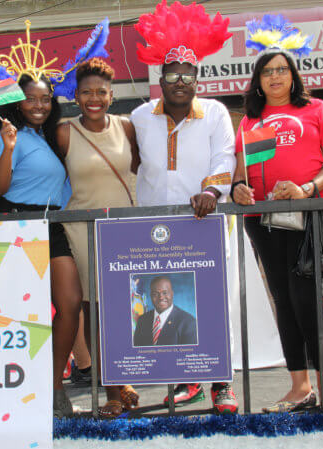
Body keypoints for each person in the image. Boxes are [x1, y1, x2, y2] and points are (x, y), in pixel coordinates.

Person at [232, 15, 323, 412]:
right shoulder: (250, 120)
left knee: (305, 298)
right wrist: (238, 189)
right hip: (263, 220)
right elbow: (241, 174)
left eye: (282, 70)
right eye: (267, 72)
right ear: (258, 81)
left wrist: (308, 188)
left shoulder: (314, 110)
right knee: (282, 297)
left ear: (293, 76)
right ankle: (298, 387)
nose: (275, 77)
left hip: (309, 213)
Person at [131, 0, 238, 414]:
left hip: (204, 224)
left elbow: (225, 158)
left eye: (187, 75)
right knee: (170, 308)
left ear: (197, 77)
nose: (180, 80)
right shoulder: (139, 116)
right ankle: (184, 381)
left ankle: (222, 385)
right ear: (161, 78)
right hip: (154, 228)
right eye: (172, 74)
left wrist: (211, 193)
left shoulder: (214, 113)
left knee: (213, 304)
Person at [0, 73, 81, 418]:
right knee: (25, 314)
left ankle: (55, 385)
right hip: (18, 226)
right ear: (18, 101)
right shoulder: (9, 135)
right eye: (31, 98)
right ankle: (24, 392)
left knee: (70, 303)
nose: (39, 105)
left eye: (45, 99)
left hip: (53, 225)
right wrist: (8, 147)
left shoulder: (51, 137)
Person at [54, 58, 139, 418]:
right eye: (86, 92)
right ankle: (113, 391)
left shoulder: (127, 126)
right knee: (97, 314)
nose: (94, 98)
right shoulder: (64, 132)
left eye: (101, 92)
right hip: (84, 231)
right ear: (76, 96)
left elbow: (137, 171)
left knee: (130, 311)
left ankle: (126, 379)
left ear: (111, 94)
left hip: (126, 230)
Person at [133, 276, 197, 347]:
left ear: (172, 294)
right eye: (155, 294)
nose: (161, 297)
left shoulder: (189, 323)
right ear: (151, 296)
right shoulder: (142, 320)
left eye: (165, 293)